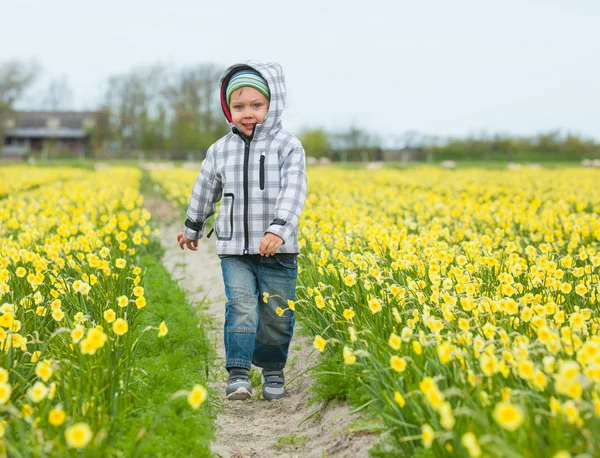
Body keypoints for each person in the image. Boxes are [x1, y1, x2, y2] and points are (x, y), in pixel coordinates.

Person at [177, 61, 307, 401]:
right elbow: (205, 189)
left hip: (280, 250)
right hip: (234, 248)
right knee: (241, 306)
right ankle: (238, 373)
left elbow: (295, 190)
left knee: (277, 314)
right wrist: (192, 227)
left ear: (272, 105)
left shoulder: (288, 146)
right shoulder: (220, 150)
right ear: (227, 109)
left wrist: (278, 230)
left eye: (256, 105)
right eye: (239, 106)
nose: (247, 113)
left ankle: (273, 371)